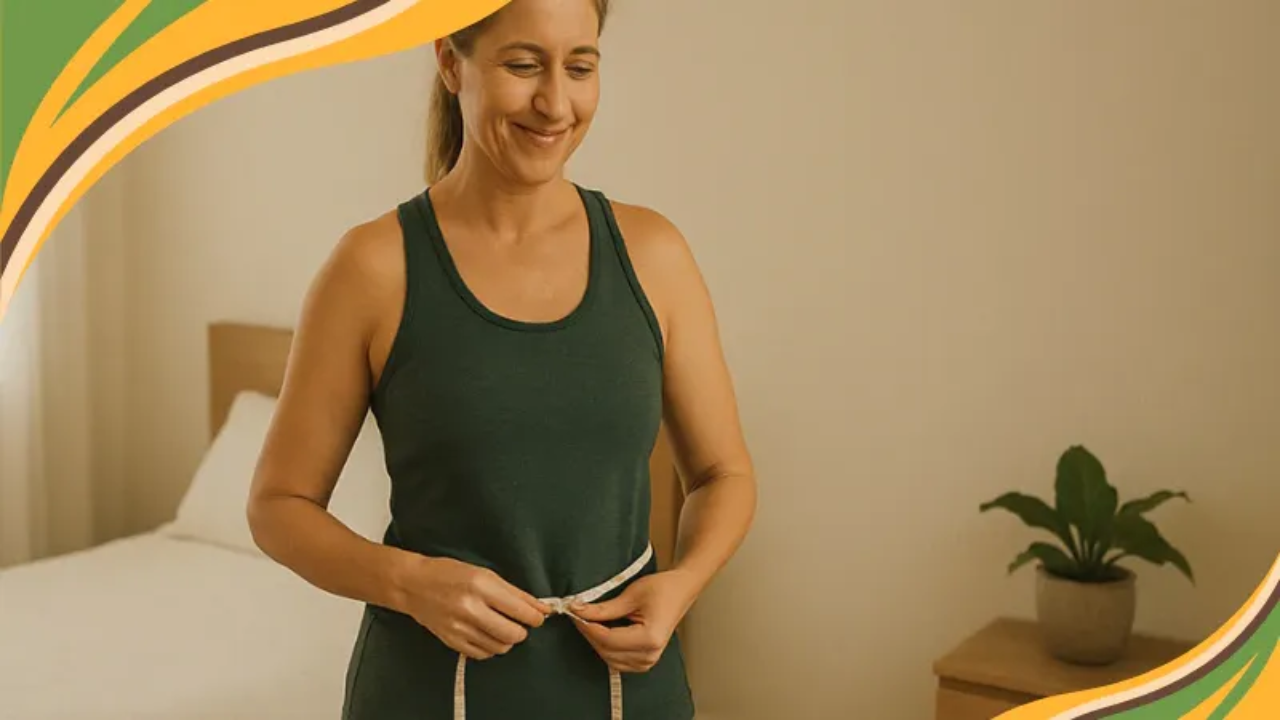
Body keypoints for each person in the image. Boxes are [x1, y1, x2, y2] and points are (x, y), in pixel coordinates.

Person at [245, 0, 757, 718]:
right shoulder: (372, 268)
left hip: (629, 691)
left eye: (580, 66)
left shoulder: (654, 256)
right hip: (426, 690)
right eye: (523, 65)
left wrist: (682, 585)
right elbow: (278, 508)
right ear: (452, 62)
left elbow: (723, 474)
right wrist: (409, 582)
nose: (555, 102)